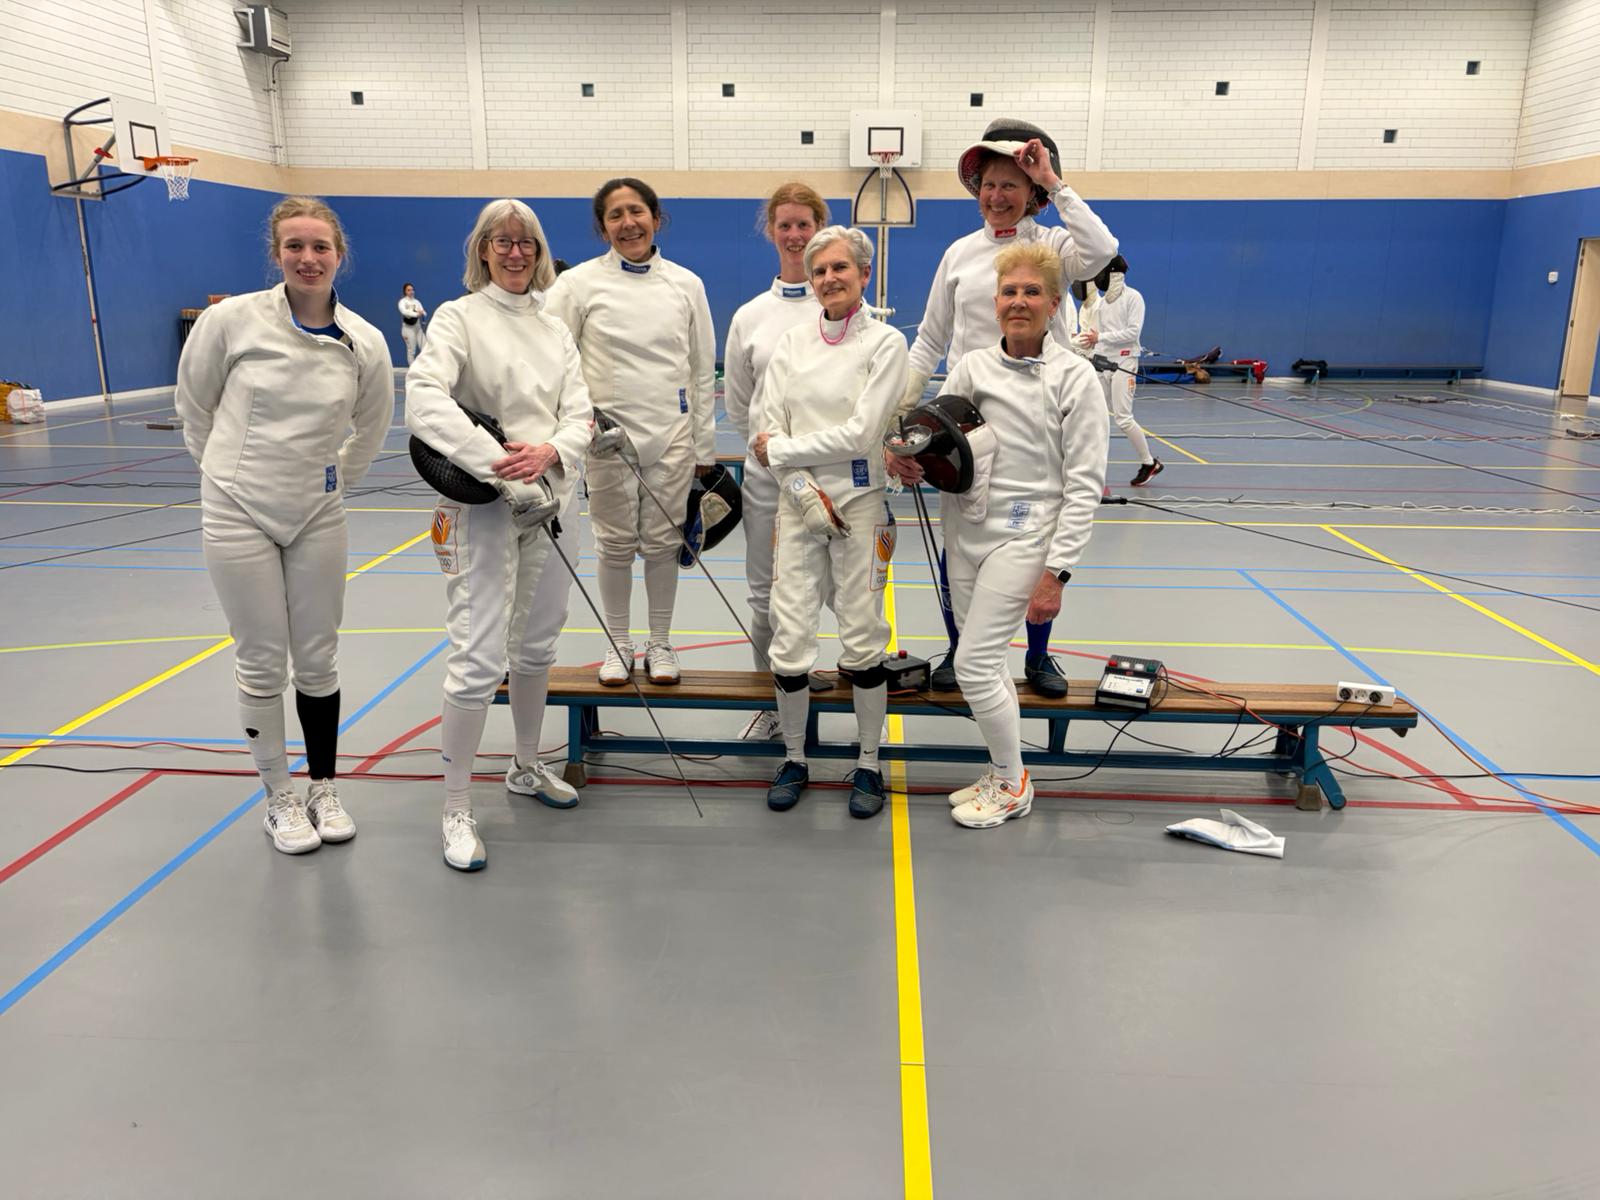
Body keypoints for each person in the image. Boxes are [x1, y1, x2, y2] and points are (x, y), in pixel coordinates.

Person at [175, 196, 392, 855]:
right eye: (294, 246)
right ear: (277, 254)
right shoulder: (230, 321)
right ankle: (278, 796)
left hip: (318, 511)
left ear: (339, 255)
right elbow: (194, 405)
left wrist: (333, 479)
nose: (308, 258)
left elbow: (373, 426)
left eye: (320, 246)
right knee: (262, 657)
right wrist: (229, 476)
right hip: (237, 508)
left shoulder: (364, 341)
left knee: (318, 656)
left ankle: (323, 787)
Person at [895, 118, 1117, 700]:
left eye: (1012, 185)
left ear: (1031, 191)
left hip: (1038, 406)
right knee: (962, 536)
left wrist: (1056, 183)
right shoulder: (959, 254)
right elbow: (930, 339)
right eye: (990, 185)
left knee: (1037, 534)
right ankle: (960, 648)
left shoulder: (1054, 245)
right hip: (968, 417)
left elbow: (1103, 251)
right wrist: (904, 413)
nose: (998, 196)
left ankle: (1038, 655)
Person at [406, 198, 593, 873]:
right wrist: (501, 466)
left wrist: (551, 452)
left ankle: (525, 765)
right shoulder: (458, 318)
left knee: (537, 646)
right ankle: (456, 805)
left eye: (526, 242)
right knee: (480, 657)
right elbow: (424, 400)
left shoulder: (554, 327)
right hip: (482, 508)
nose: (515, 253)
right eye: (502, 242)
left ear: (539, 252)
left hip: (554, 501)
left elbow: (580, 411)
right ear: (482, 250)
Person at [940, 242, 1108, 828]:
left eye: (1031, 292)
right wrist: (910, 455)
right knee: (986, 666)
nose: (1019, 301)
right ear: (995, 302)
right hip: (964, 533)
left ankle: (1011, 784)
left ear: (1054, 304)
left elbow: (1084, 484)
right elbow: (941, 441)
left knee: (972, 666)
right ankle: (1004, 771)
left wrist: (1056, 573)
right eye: (1009, 292)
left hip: (1025, 537)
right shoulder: (971, 368)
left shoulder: (1075, 377)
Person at [750, 226, 908, 819]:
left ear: (864, 274)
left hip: (862, 506)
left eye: (840, 268)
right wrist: (799, 484)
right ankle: (795, 758)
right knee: (789, 639)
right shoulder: (792, 343)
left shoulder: (886, 343)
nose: (829, 278)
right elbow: (766, 430)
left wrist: (784, 451)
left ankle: (868, 763)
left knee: (863, 638)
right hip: (798, 505)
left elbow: (862, 434)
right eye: (819, 271)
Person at [546, 178, 716, 688]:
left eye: (637, 211)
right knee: (615, 545)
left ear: (656, 218)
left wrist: (704, 445)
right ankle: (618, 642)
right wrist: (576, 424)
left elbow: (701, 368)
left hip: (672, 436)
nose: (628, 223)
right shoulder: (576, 285)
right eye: (615, 215)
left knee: (663, 545)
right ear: (603, 228)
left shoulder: (686, 284)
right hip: (607, 440)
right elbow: (552, 358)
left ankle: (660, 643)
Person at [722, 182, 829, 740]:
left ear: (819, 228)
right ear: (771, 231)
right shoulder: (751, 316)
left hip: (832, 476)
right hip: (767, 480)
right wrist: (773, 455)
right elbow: (741, 404)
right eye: (784, 224)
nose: (794, 235)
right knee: (765, 594)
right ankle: (772, 700)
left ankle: (859, 699)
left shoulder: (839, 307)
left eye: (803, 224)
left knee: (842, 592)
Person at [1075, 255, 1161, 486]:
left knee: (1123, 418)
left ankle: (1149, 463)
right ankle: (1089, 466)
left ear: (1114, 274)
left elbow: (1133, 333)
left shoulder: (1134, 298)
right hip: (1103, 363)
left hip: (1125, 362)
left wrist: (1100, 338)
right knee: (1095, 414)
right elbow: (1096, 338)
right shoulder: (1102, 304)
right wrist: (1083, 346)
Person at [398, 282, 427, 364]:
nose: (411, 292)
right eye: (408, 290)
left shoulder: (417, 302)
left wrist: (423, 313)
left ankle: (424, 367)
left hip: (418, 328)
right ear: (405, 291)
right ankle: (412, 369)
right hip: (408, 328)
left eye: (412, 290)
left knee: (425, 348)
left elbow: (423, 312)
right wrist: (416, 314)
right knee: (412, 350)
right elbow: (404, 312)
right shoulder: (402, 302)